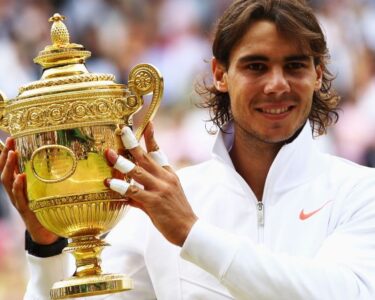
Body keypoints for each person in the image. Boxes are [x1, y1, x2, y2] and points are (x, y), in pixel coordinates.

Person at [1, 0, 375, 299]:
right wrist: (47, 248)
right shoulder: (165, 204)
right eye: (255, 66)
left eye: (294, 66)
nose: (276, 84)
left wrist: (191, 234)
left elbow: (349, 292)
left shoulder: (360, 191)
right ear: (219, 74)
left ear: (317, 73)